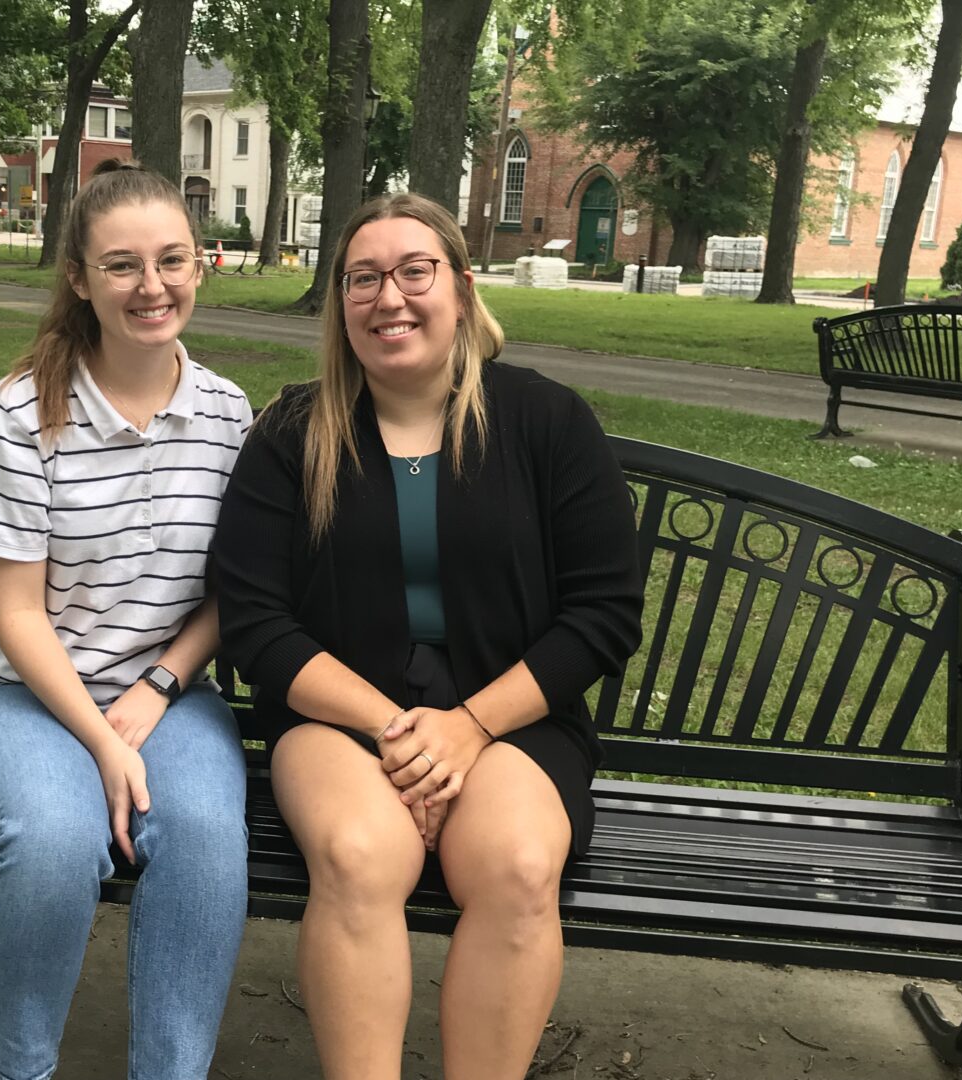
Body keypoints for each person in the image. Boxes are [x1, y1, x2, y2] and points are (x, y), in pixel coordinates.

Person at [211, 192, 643, 1079]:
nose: (389, 297)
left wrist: (470, 726)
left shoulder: (545, 423)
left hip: (513, 720)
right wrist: (397, 730)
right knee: (358, 853)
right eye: (363, 278)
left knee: (521, 866)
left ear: (461, 287)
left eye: (415, 271)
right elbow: (255, 622)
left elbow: (603, 614)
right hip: (339, 719)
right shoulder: (293, 433)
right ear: (339, 302)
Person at [0, 159, 254, 1080]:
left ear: (201, 264)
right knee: (56, 841)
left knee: (202, 840)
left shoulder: (228, 415)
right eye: (122, 266)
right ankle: (18, 1071)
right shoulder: (19, 412)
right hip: (10, 691)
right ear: (79, 277)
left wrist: (159, 687)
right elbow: (17, 615)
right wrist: (105, 744)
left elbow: (234, 593)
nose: (152, 286)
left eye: (172, 260)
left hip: (167, 692)